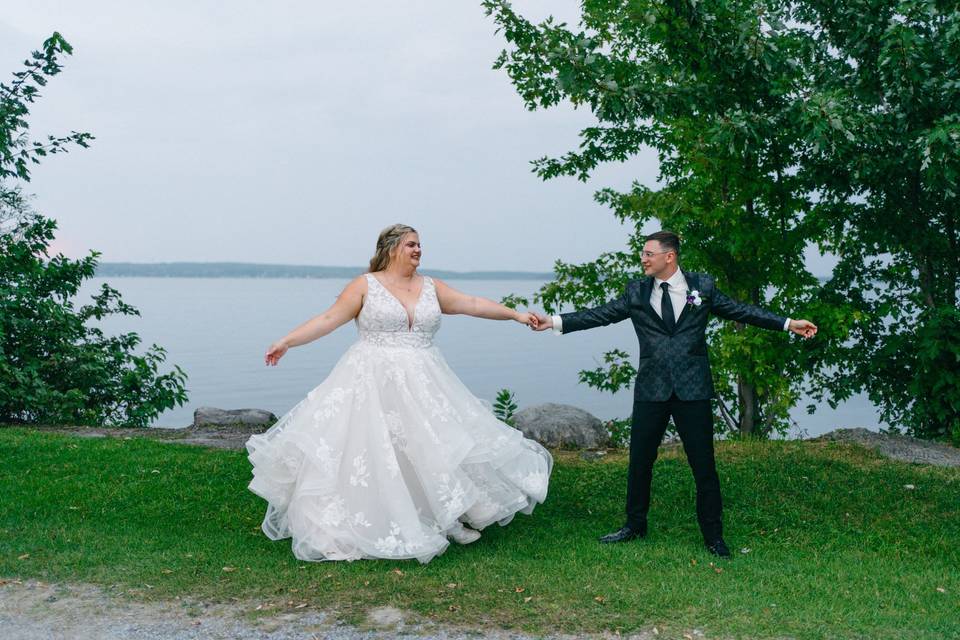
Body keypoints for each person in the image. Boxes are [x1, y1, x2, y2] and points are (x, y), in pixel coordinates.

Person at [246, 223, 553, 563]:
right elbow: (329, 318)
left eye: (420, 244)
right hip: (371, 378)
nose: (418, 250)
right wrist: (287, 341)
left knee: (432, 444)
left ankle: (444, 517)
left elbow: (472, 303)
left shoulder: (430, 286)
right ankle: (370, 520)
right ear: (392, 248)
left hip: (425, 378)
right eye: (411, 244)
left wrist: (516, 315)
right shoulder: (365, 286)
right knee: (373, 448)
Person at [531, 230, 817, 558]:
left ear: (670, 257)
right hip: (651, 390)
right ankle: (634, 525)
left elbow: (741, 311)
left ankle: (714, 535)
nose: (643, 258)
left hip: (693, 390)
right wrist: (553, 322)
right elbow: (600, 314)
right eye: (643, 253)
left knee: (704, 465)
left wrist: (788, 323)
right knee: (640, 461)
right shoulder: (636, 292)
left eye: (648, 253)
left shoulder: (701, 288)